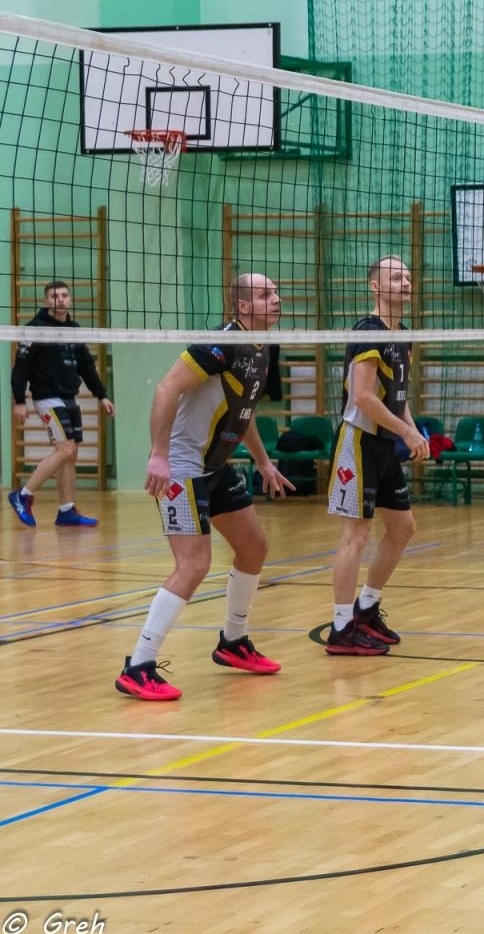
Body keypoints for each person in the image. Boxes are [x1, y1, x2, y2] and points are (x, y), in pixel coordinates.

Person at [116, 274, 293, 701]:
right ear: (243, 306)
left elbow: (243, 410)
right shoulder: (220, 343)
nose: (277, 300)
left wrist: (264, 462)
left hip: (216, 465)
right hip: (182, 466)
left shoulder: (262, 347)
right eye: (266, 295)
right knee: (193, 565)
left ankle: (233, 642)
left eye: (275, 292)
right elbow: (166, 387)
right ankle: (138, 665)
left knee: (253, 547)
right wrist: (159, 454)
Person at [325, 254, 429, 656]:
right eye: (396, 277)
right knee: (357, 533)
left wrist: (412, 429)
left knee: (403, 528)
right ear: (375, 286)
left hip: (385, 444)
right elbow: (362, 396)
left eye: (408, 275)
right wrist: (405, 431)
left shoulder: (403, 334)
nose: (405, 282)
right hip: (359, 441)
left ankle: (366, 607)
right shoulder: (367, 332)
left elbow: (396, 396)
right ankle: (341, 627)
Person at [8, 281, 114, 527]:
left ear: (70, 299)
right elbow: (20, 368)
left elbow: (87, 366)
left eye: (65, 295)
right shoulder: (35, 329)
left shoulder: (73, 330)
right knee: (64, 450)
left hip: (69, 396)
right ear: (47, 300)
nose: (61, 299)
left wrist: (102, 395)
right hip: (47, 398)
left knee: (71, 455)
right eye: (56, 296)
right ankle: (23, 495)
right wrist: (20, 400)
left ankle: (66, 510)